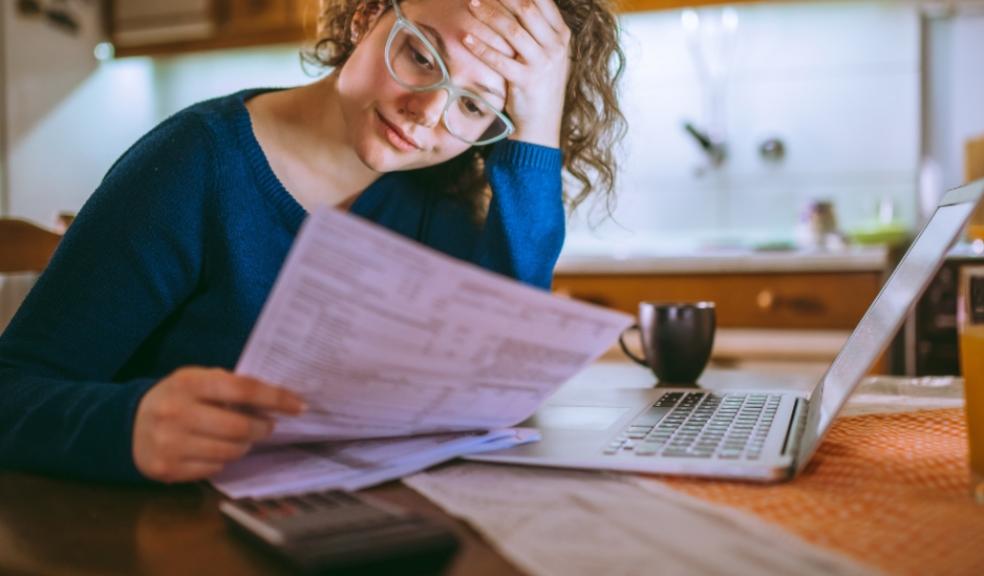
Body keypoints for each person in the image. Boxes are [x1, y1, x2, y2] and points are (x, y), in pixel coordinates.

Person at [0, 0, 625, 484]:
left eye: (473, 107)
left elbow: (501, 388)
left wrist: (538, 125)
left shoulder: (439, 199)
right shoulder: (194, 165)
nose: (427, 114)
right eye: (420, 57)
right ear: (367, 16)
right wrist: (128, 426)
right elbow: (15, 386)